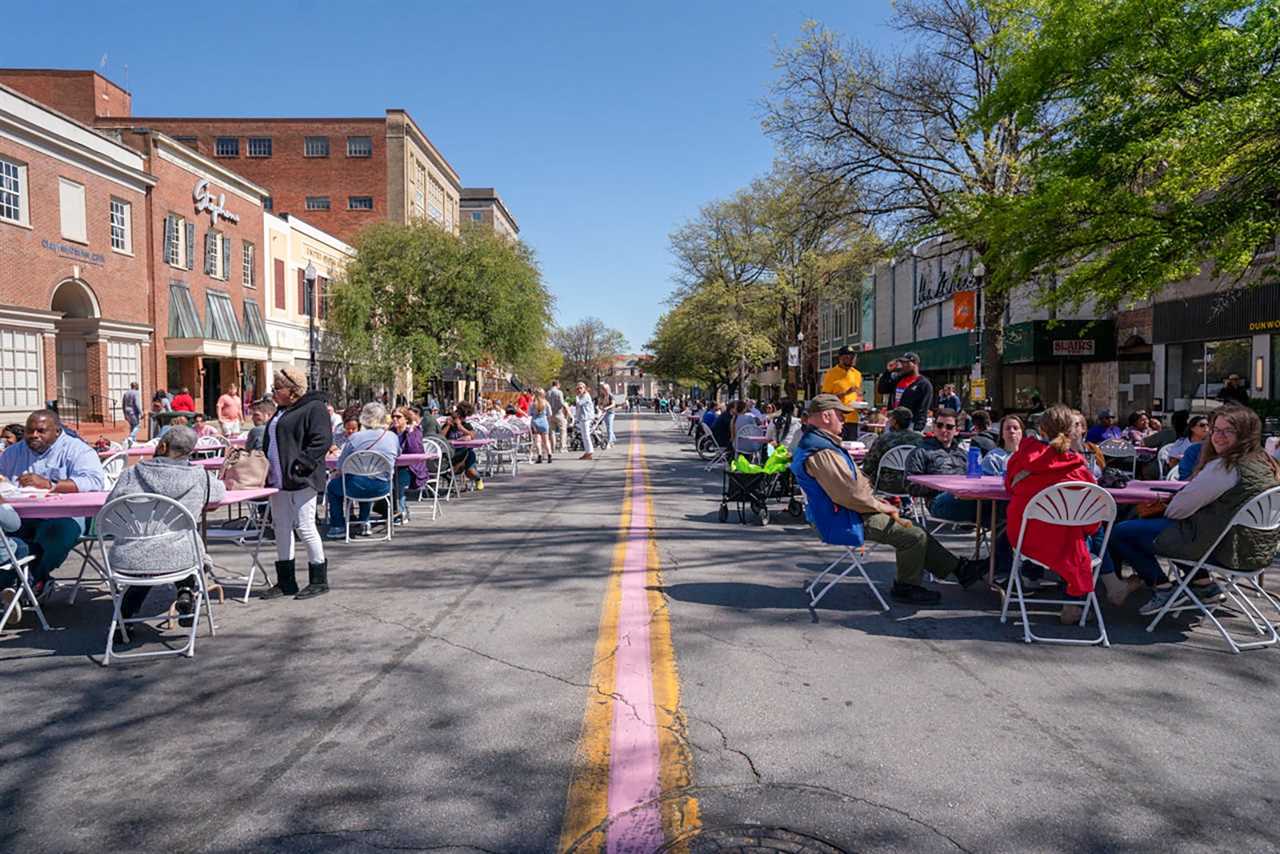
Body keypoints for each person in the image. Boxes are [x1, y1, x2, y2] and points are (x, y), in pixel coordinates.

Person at [790, 394, 983, 605]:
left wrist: (874, 497)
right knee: (913, 535)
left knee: (913, 527)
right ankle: (906, 587)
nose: (844, 420)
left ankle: (959, 569)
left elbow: (855, 485)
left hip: (843, 512)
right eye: (840, 415)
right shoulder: (821, 450)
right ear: (826, 416)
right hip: (843, 518)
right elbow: (850, 494)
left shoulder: (818, 444)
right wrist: (881, 505)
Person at [1106, 406, 1280, 615]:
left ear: (1245, 434)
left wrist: (1169, 510)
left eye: (1229, 431)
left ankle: (1162, 587)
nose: (1219, 436)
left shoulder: (1225, 467)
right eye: (1215, 429)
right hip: (1254, 550)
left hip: (1221, 550)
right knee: (1175, 530)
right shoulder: (1266, 463)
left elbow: (1178, 510)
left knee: (1121, 532)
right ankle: (1205, 585)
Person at [105, 426, 227, 627]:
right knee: (180, 543)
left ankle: (124, 621)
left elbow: (111, 507)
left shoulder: (131, 474)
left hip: (130, 556)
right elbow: (219, 494)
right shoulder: (200, 477)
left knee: (147, 558)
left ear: (161, 446)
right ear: (190, 452)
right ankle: (186, 592)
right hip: (179, 555)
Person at [1002, 405, 1108, 623]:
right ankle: (1075, 600)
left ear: (1040, 429)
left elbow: (1010, 487)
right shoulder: (1079, 469)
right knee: (1087, 534)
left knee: (1079, 534)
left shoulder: (1022, 458)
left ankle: (1041, 580)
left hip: (1025, 537)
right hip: (1065, 540)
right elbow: (1092, 515)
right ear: (1072, 431)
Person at [0, 410, 106, 600]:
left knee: (56, 532)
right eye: (29, 431)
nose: (34, 436)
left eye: (41, 431)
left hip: (63, 515)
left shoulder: (77, 450)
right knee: (8, 540)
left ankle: (29, 580)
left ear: (57, 431)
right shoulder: (13, 453)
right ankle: (23, 582)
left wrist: (51, 485)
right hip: (20, 515)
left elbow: (94, 482)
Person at [260, 366, 332, 600]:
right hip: (278, 479)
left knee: (305, 526)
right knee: (281, 527)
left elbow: (321, 440)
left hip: (301, 477)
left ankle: (319, 579)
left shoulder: (314, 407)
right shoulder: (281, 410)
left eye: (277, 388)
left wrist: (302, 464)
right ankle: (286, 581)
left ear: (293, 390)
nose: (273, 393)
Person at [905, 408, 974, 523]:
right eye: (939, 425)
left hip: (966, 497)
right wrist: (939, 485)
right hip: (939, 501)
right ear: (933, 427)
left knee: (996, 506)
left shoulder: (963, 454)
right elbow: (910, 486)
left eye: (949, 427)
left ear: (956, 430)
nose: (943, 430)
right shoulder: (921, 452)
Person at [860, 407, 922, 493]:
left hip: (886, 484)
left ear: (895, 422)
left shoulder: (883, 439)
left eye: (891, 418)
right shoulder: (920, 439)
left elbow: (868, 466)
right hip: (912, 485)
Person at [875, 352, 933, 431]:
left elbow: (923, 409)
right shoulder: (898, 379)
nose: (903, 366)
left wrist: (917, 429)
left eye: (906, 363)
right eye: (901, 363)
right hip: (893, 422)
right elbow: (881, 389)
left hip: (910, 424)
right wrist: (888, 371)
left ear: (914, 364)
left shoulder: (924, 384)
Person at [390, 406, 429, 520]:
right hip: (393, 467)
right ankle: (394, 510)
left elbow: (416, 452)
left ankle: (400, 513)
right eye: (393, 417)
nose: (395, 419)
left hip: (413, 469)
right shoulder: (390, 432)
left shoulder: (414, 431)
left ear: (406, 419)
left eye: (398, 417)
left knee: (398, 479)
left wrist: (411, 433)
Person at [819, 345, 862, 440]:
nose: (850, 359)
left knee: (852, 448)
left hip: (853, 418)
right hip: (837, 418)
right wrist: (845, 393)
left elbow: (858, 394)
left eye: (852, 357)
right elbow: (825, 398)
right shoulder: (831, 374)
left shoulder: (857, 374)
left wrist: (861, 404)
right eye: (847, 357)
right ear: (840, 358)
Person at [444, 402, 485, 489]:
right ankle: (452, 477)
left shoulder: (467, 425)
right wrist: (447, 425)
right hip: (452, 453)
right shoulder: (449, 426)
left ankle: (478, 479)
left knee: (470, 472)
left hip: (467, 453)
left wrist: (460, 427)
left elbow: (473, 435)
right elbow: (440, 437)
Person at [529, 388, 554, 463]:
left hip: (535, 423)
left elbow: (529, 413)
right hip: (544, 422)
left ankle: (539, 455)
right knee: (546, 440)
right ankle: (549, 454)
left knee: (538, 440)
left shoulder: (533, 403)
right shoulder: (546, 403)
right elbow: (550, 414)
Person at [575, 382, 596, 460]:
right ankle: (587, 452)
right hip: (582, 418)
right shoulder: (581, 396)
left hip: (586, 418)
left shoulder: (586, 396)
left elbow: (579, 404)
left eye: (581, 388)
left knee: (586, 435)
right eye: (577, 388)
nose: (579, 390)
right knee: (584, 435)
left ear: (584, 388)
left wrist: (576, 396)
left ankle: (589, 452)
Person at [548, 380, 569, 453]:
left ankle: (552, 447)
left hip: (550, 414)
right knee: (563, 430)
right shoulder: (559, 392)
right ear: (558, 385)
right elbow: (561, 403)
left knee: (552, 431)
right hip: (559, 413)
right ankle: (562, 447)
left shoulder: (548, 392)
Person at [597, 383, 616, 450]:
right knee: (608, 427)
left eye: (607, 389)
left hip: (611, 413)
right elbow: (599, 404)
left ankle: (609, 443)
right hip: (604, 413)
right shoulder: (601, 396)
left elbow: (613, 404)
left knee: (609, 428)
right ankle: (613, 439)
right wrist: (600, 407)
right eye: (604, 389)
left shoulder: (611, 396)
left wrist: (607, 407)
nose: (606, 390)